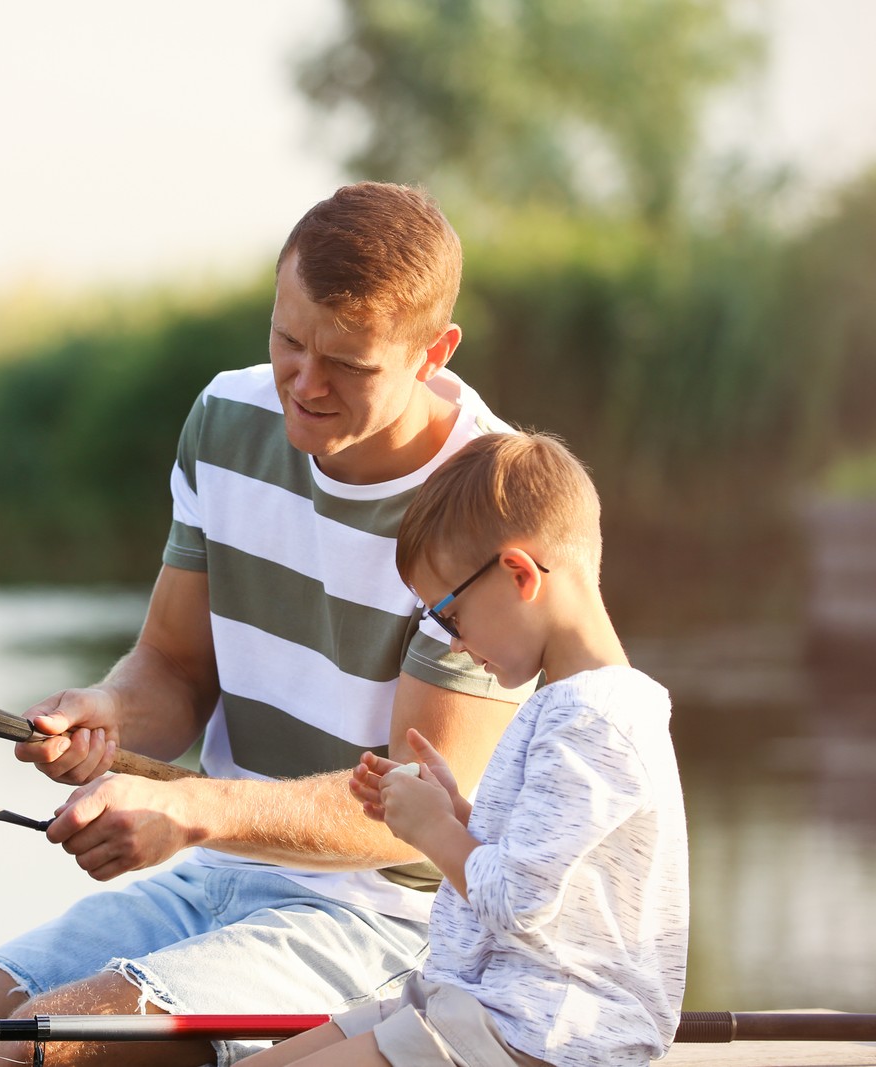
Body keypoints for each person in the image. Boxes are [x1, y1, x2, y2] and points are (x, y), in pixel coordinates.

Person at [0, 182, 530, 1067]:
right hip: (218, 871)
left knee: (42, 1055)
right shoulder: (228, 418)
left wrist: (192, 809)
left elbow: (407, 809)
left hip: (390, 916)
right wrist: (105, 711)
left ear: (432, 351)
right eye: (288, 340)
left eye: (349, 363)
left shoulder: (485, 505)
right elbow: (175, 669)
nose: (304, 383)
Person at [241, 430, 689, 1067]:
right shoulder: (569, 705)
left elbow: (520, 904)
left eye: (448, 615)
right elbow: (542, 873)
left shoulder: (594, 721)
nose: (451, 644)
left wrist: (432, 834)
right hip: (488, 1001)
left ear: (519, 574)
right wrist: (457, 814)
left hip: (549, 1030)